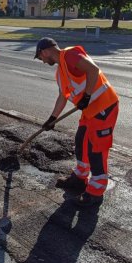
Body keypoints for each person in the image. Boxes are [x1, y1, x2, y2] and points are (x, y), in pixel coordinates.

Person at [34, 38, 119, 207]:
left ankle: (95, 192)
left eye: (40, 57)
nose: (42, 61)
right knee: (81, 141)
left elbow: (93, 70)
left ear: (44, 51)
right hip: (90, 111)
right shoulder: (60, 72)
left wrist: (86, 96)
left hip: (104, 107)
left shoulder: (70, 55)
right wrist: (52, 119)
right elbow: (62, 97)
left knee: (97, 149)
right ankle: (80, 178)